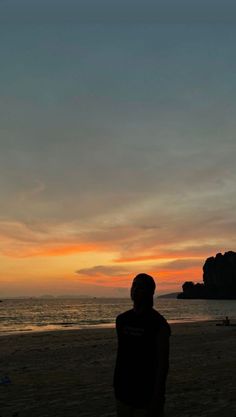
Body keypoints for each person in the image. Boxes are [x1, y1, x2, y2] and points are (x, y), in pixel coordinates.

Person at [113, 273, 171, 417]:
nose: (135, 289)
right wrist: (117, 384)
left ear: (151, 292)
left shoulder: (159, 324)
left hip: (147, 394)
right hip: (123, 391)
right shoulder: (122, 320)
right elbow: (122, 355)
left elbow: (163, 363)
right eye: (134, 285)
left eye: (141, 287)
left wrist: (158, 396)